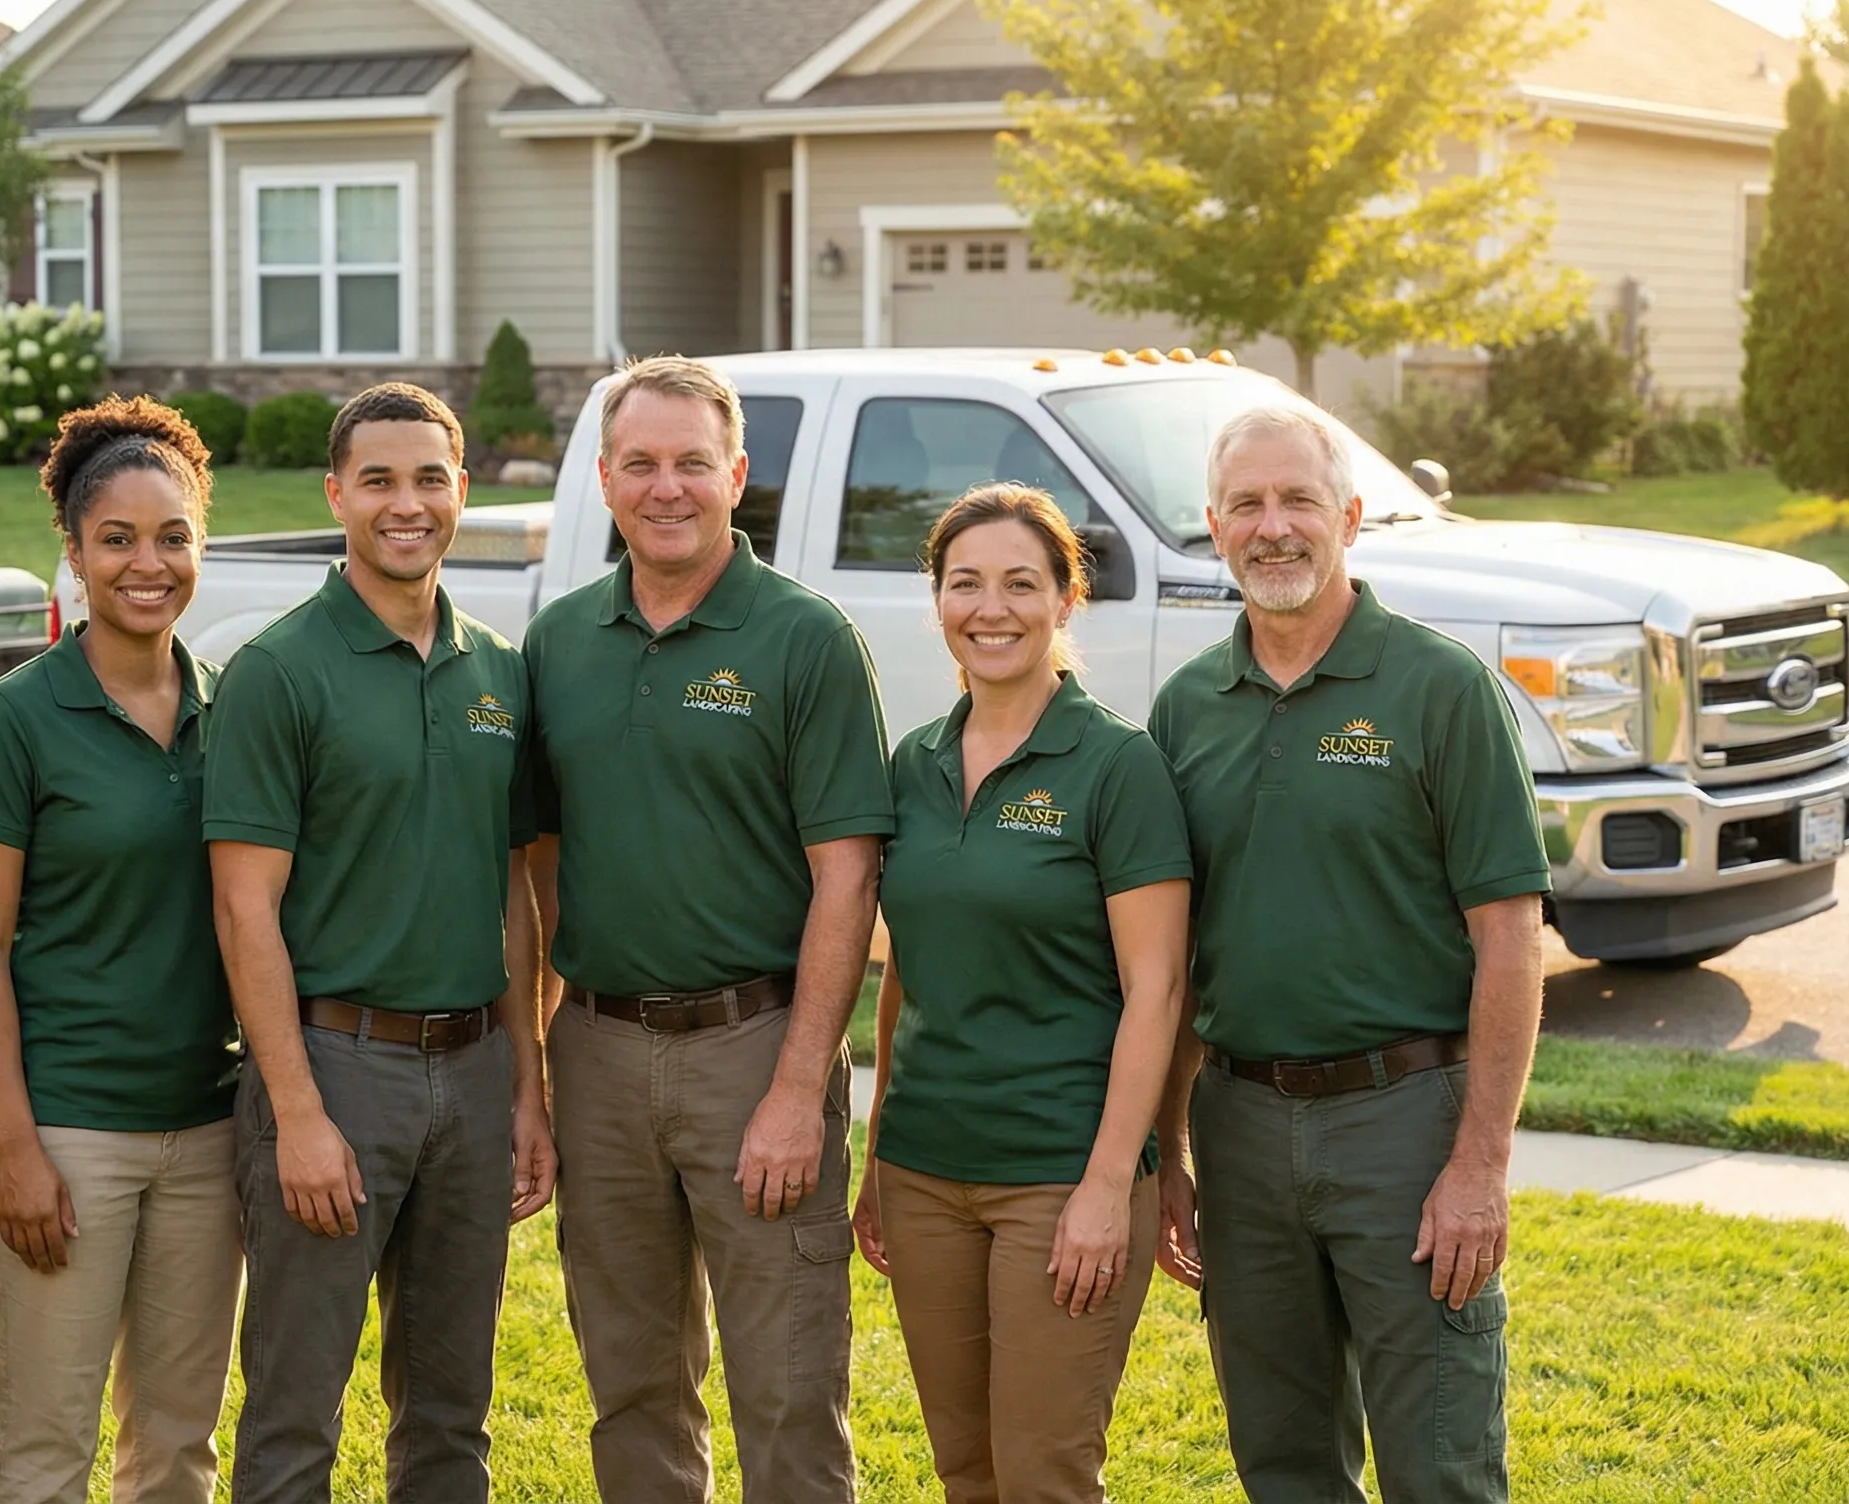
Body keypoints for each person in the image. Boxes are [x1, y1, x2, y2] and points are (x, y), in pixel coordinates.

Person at [1148, 403, 1549, 1504]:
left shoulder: (1438, 688)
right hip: (1239, 1127)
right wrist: (1167, 1147)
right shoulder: (1186, 711)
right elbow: (1172, 959)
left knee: (1440, 1463)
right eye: (1245, 505)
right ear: (1214, 526)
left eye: (1297, 501)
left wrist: (1479, 1166)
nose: (1271, 528)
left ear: (1351, 519)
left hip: (1406, 1127)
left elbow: (1509, 936)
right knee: (1280, 1462)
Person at [525, 354, 893, 1504]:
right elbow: (532, 870)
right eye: (640, 462)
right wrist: (534, 1079)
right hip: (594, 1047)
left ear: (737, 475)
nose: (666, 485)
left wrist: (797, 1088)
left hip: (754, 1045)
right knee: (631, 1383)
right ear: (604, 478)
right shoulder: (559, 642)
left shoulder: (805, 639)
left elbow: (848, 878)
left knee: (786, 1386)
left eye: (693, 462)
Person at [202, 382, 555, 1504]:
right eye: (379, 481)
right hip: (335, 1071)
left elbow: (515, 894)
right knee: (295, 1413)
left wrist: (527, 1086)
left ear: (462, 490)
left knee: (452, 1416)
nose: (407, 505)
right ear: (336, 495)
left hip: (473, 1070)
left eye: (430, 478)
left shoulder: (501, 672)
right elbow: (241, 907)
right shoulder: (280, 671)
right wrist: (297, 1114)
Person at [848, 483, 1192, 1504]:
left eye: (1018, 584)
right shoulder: (910, 767)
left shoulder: (1115, 766)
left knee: (1044, 1473)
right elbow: (904, 973)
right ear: (937, 600)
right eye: (964, 584)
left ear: (1062, 601)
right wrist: (876, 1159)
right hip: (923, 1171)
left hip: (1059, 1173)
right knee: (965, 1469)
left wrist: (1105, 1187)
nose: (988, 608)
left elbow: (1158, 990)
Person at [0, 397, 243, 1503]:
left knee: (176, 1448)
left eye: (172, 537)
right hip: (66, 1133)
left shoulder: (233, 712)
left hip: (208, 1133)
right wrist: (14, 1148)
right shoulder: (16, 719)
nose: (146, 564)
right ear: (70, 554)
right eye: (115, 539)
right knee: (44, 1446)